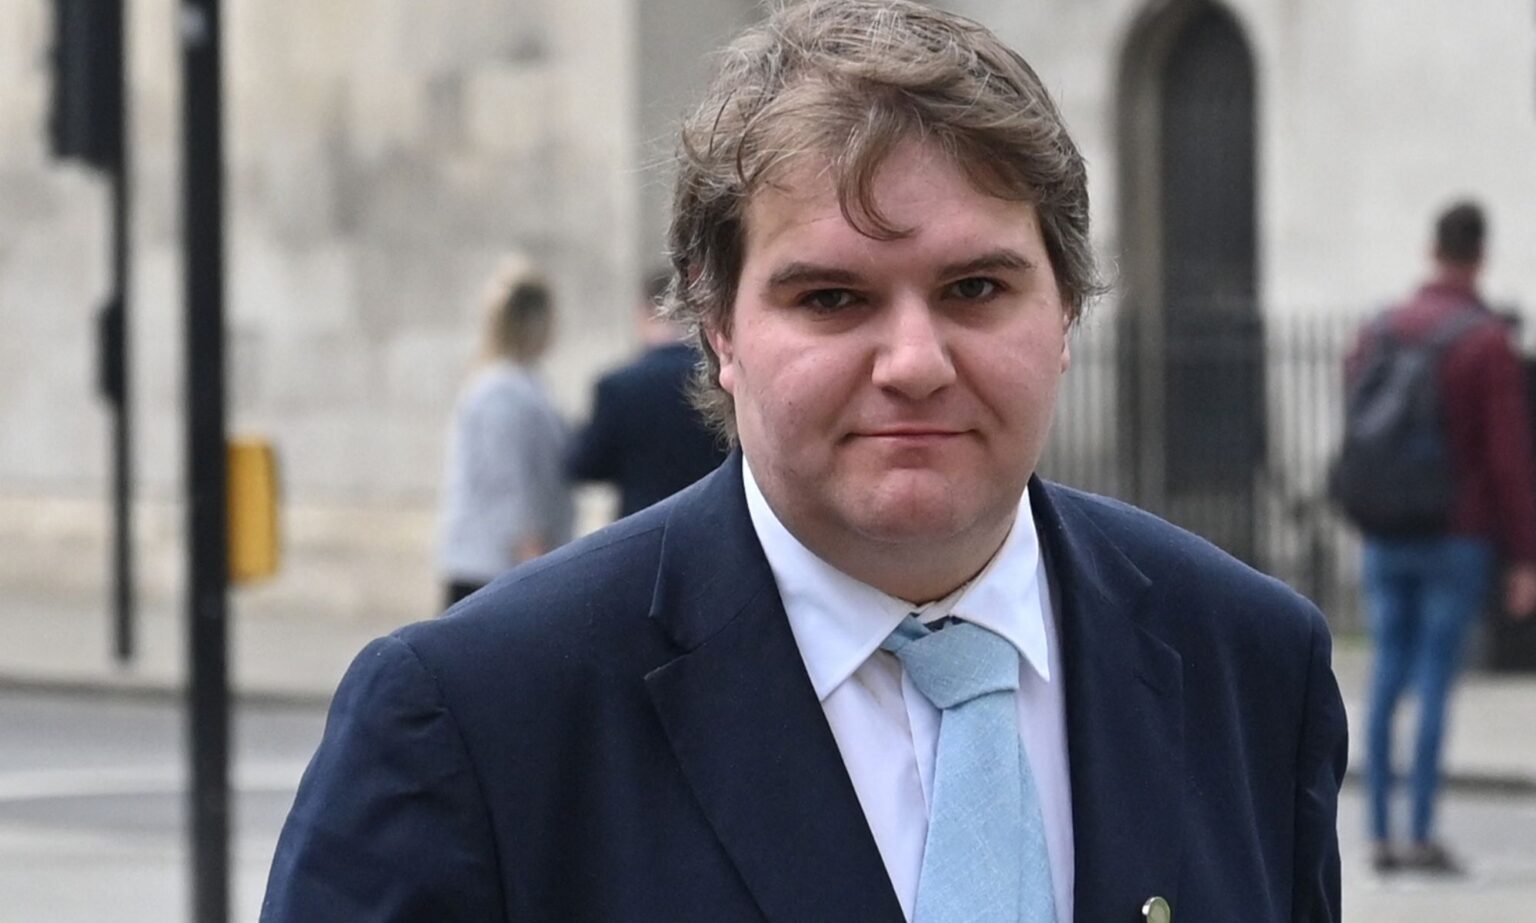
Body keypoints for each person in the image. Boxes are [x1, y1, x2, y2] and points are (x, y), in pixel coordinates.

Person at [263, 3, 1346, 920]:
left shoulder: (1251, 665)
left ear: (1064, 308)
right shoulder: (477, 717)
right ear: (719, 328)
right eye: (832, 297)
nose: (915, 362)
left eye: (977, 288)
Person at [1349, 201, 1536, 874]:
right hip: (1456, 533)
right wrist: (1523, 553)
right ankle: (1421, 829)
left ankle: (1376, 833)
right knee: (1433, 678)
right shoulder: (1486, 342)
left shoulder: (1381, 330)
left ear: (1433, 249)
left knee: (1386, 672)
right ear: (1480, 255)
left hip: (1384, 529)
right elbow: (1508, 457)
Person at [434, 260, 574, 609]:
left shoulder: (520, 384)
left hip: (501, 564)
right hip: (494, 568)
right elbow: (508, 482)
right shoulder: (501, 391)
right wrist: (535, 560)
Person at [567, 271, 728, 518]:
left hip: (640, 528)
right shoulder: (721, 380)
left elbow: (586, 466)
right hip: (711, 520)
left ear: (643, 313)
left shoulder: (618, 386)